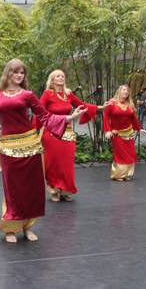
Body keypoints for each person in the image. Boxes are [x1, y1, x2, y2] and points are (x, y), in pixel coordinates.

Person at [0, 59, 87, 243]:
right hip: (8, 148)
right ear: (8, 73)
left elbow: (45, 116)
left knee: (31, 189)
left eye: (22, 73)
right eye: (16, 72)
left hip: (31, 145)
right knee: (13, 189)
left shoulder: (28, 94)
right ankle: (11, 227)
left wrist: (70, 118)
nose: (19, 76)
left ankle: (27, 227)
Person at [33, 70, 111, 202]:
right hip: (51, 133)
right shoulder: (47, 94)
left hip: (68, 134)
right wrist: (35, 129)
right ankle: (54, 191)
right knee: (53, 163)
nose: (61, 78)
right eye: (58, 76)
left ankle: (65, 191)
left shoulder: (68, 94)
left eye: (63, 76)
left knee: (67, 164)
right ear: (52, 80)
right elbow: (39, 112)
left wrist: (100, 107)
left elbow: (82, 105)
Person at [104, 85, 146, 181]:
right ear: (119, 91)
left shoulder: (130, 104)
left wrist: (139, 128)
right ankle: (118, 174)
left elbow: (133, 118)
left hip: (129, 133)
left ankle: (125, 174)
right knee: (120, 154)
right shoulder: (111, 103)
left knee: (129, 153)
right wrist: (108, 130)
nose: (126, 92)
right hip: (117, 134)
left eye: (128, 91)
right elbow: (106, 116)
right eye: (124, 90)